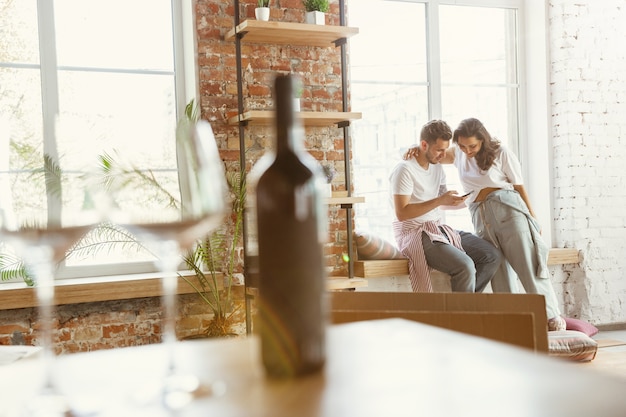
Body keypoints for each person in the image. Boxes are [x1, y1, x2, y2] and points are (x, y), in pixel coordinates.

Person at [407, 117, 565, 330]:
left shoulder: (501, 152)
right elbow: (433, 154)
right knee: (499, 270)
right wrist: (415, 148)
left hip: (508, 211)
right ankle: (513, 320)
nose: (467, 150)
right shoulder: (458, 154)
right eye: (462, 145)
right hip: (480, 217)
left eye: (472, 145)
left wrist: (532, 217)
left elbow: (519, 186)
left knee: (528, 264)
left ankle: (551, 317)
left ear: (482, 139)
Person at [390, 119, 501, 293]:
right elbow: (402, 213)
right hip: (415, 233)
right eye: (439, 150)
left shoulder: (437, 167)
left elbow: (443, 203)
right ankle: (463, 315)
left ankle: (463, 308)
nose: (444, 155)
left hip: (438, 229)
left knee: (491, 256)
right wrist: (440, 200)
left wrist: (469, 199)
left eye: (445, 149)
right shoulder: (404, 170)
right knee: (465, 265)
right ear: (424, 145)